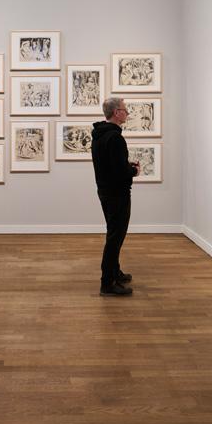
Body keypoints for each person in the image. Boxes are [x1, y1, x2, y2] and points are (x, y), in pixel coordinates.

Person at [91, 98, 139, 296]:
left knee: (114, 233)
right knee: (115, 237)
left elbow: (110, 166)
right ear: (116, 113)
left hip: (105, 191)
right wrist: (134, 170)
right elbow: (120, 171)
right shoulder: (115, 138)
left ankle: (115, 272)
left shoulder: (100, 135)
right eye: (125, 110)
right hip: (117, 194)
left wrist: (125, 167)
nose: (127, 113)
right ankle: (107, 282)